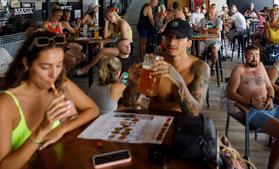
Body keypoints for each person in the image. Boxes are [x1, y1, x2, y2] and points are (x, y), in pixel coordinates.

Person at [0, 31, 99, 169]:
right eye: (45, 67)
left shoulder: (60, 84)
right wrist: (41, 130)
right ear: (27, 64)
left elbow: (93, 109)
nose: (54, 74)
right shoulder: (6, 103)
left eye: (59, 65)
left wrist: (62, 128)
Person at [227, 45, 279, 169]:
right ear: (245, 56)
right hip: (253, 111)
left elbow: (270, 87)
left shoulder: (261, 66)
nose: (254, 58)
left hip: (271, 106)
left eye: (257, 55)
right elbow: (230, 93)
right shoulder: (239, 69)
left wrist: (271, 98)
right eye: (251, 55)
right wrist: (250, 102)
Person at [123, 19, 210, 116]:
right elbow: (129, 102)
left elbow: (194, 113)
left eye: (178, 38)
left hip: (180, 123)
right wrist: (133, 84)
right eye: (169, 37)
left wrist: (179, 81)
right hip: (152, 119)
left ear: (189, 43)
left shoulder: (199, 67)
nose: (172, 42)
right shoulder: (154, 60)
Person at [196, 5, 222, 76]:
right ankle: (200, 67)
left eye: (212, 13)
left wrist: (206, 30)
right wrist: (201, 30)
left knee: (214, 50)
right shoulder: (203, 20)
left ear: (215, 13)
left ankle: (213, 66)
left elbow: (217, 31)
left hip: (215, 41)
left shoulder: (218, 20)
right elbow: (196, 28)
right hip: (204, 40)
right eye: (209, 12)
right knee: (196, 50)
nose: (209, 14)